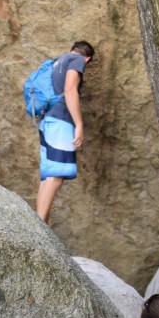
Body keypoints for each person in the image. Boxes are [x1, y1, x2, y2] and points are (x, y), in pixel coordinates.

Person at [35, 40, 94, 223]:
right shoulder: (76, 61)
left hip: (47, 120)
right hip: (60, 121)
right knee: (56, 177)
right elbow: (70, 90)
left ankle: (39, 225)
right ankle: (40, 229)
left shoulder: (56, 62)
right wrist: (79, 124)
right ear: (87, 59)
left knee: (47, 177)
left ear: (71, 49)